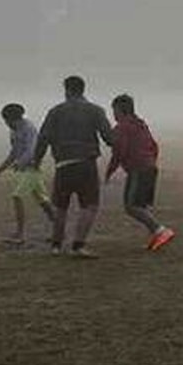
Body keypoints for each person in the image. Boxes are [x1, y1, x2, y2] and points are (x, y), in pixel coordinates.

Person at [33, 75, 114, 258]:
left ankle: (56, 245)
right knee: (89, 205)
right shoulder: (95, 111)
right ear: (83, 89)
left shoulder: (55, 111)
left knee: (61, 207)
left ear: (67, 90)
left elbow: (43, 138)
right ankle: (78, 246)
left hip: (62, 165)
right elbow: (109, 138)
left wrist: (36, 161)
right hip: (86, 163)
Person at [105, 94, 176, 252]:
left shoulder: (122, 127)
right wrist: (151, 161)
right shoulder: (141, 124)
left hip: (139, 169)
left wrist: (109, 172)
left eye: (114, 111)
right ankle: (156, 235)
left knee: (132, 206)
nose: (113, 115)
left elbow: (119, 152)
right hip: (150, 168)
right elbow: (154, 145)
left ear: (120, 110)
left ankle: (160, 230)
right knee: (142, 205)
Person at [0, 103, 55, 246]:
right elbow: (15, 150)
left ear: (15, 118)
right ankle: (59, 230)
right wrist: (3, 166)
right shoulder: (14, 130)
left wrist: (19, 163)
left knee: (17, 196)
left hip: (32, 168)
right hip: (24, 170)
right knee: (43, 201)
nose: (6, 124)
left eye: (7, 120)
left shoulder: (28, 128)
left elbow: (32, 150)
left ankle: (20, 235)